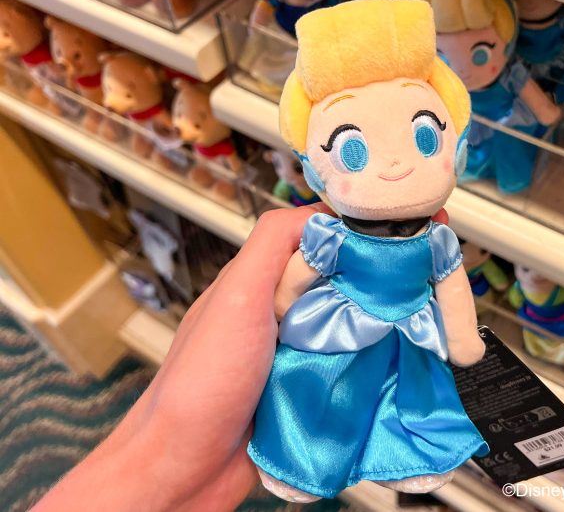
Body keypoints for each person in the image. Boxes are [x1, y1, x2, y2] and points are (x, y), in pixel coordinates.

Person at [31, 204, 450, 511]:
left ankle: (409, 457)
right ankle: (299, 462)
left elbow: (453, 290)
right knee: (315, 400)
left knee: (405, 393)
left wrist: (462, 335)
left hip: (407, 333)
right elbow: (292, 286)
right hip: (330, 336)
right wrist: (285, 309)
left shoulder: (433, 240)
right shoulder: (330, 234)